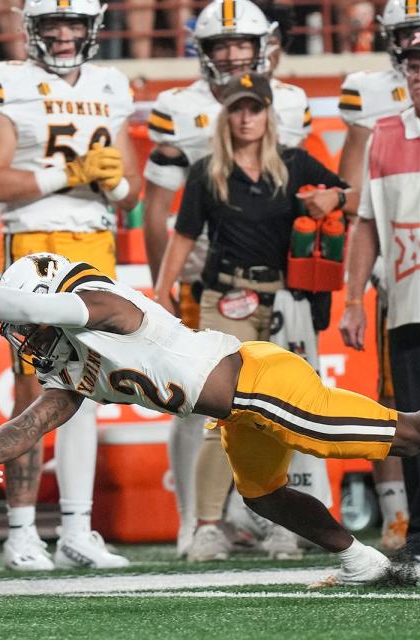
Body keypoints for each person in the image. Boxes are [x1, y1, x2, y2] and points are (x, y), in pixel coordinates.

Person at [0, 251, 420, 586]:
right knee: (264, 496)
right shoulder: (72, 364)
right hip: (238, 413)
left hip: (262, 384)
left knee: (409, 436)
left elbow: (31, 308)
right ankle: (363, 562)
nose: (25, 336)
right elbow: (34, 422)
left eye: (26, 321)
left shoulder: (104, 306)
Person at [153, 73, 355, 561]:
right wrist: (161, 291)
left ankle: (282, 525)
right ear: (226, 114)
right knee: (221, 412)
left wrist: (337, 198)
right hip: (227, 295)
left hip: (286, 299)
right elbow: (183, 236)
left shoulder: (294, 163)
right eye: (238, 109)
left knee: (283, 414)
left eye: (255, 108)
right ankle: (206, 524)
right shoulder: (206, 170)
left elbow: (353, 195)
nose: (247, 117)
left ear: (268, 114)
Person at [0, 0, 139, 571]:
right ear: (31, 29)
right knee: (33, 390)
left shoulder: (111, 85)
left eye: (74, 25)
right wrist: (68, 173)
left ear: (92, 29)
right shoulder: (6, 81)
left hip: (96, 242)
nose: (63, 35)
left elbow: (132, 191)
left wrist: (114, 187)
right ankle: (20, 531)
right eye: (52, 25)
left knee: (88, 392)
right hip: (35, 248)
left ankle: (77, 530)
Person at [141, 0, 312, 560]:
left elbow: (303, 195)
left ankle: (256, 512)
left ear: (266, 46)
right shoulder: (177, 107)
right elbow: (160, 203)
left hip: (272, 274)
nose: (234, 54)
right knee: (199, 399)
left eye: (243, 44)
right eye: (223, 46)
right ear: (204, 51)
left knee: (273, 398)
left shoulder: (290, 100)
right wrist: (163, 283)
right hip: (203, 276)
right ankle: (196, 520)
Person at [336, 0, 420, 553]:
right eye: (413, 67)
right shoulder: (384, 133)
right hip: (408, 301)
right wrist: (352, 299)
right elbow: (365, 224)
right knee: (414, 427)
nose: (418, 76)